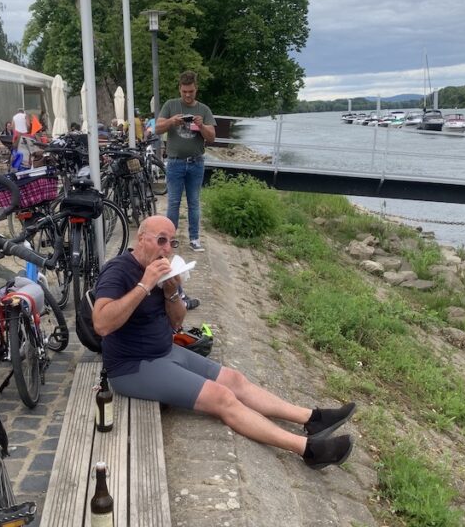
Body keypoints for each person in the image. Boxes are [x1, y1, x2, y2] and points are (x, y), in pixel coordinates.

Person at [92, 215, 355, 470]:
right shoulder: (119, 270)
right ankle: (308, 449)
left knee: (235, 379)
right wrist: (145, 285)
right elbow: (102, 324)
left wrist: (171, 292)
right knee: (222, 397)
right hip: (132, 367)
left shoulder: (164, 269)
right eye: (161, 240)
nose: (167, 249)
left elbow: (177, 321)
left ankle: (311, 418)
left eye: (172, 242)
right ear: (141, 239)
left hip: (166, 351)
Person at [156, 71, 216, 253]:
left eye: (191, 91)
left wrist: (201, 126)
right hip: (175, 162)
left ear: (196, 89)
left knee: (194, 202)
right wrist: (171, 121)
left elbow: (211, 137)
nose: (188, 95)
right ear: (179, 89)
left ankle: (194, 239)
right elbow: (157, 128)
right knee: (173, 202)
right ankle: (170, 239)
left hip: (196, 163)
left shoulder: (204, 110)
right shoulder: (170, 105)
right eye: (184, 92)